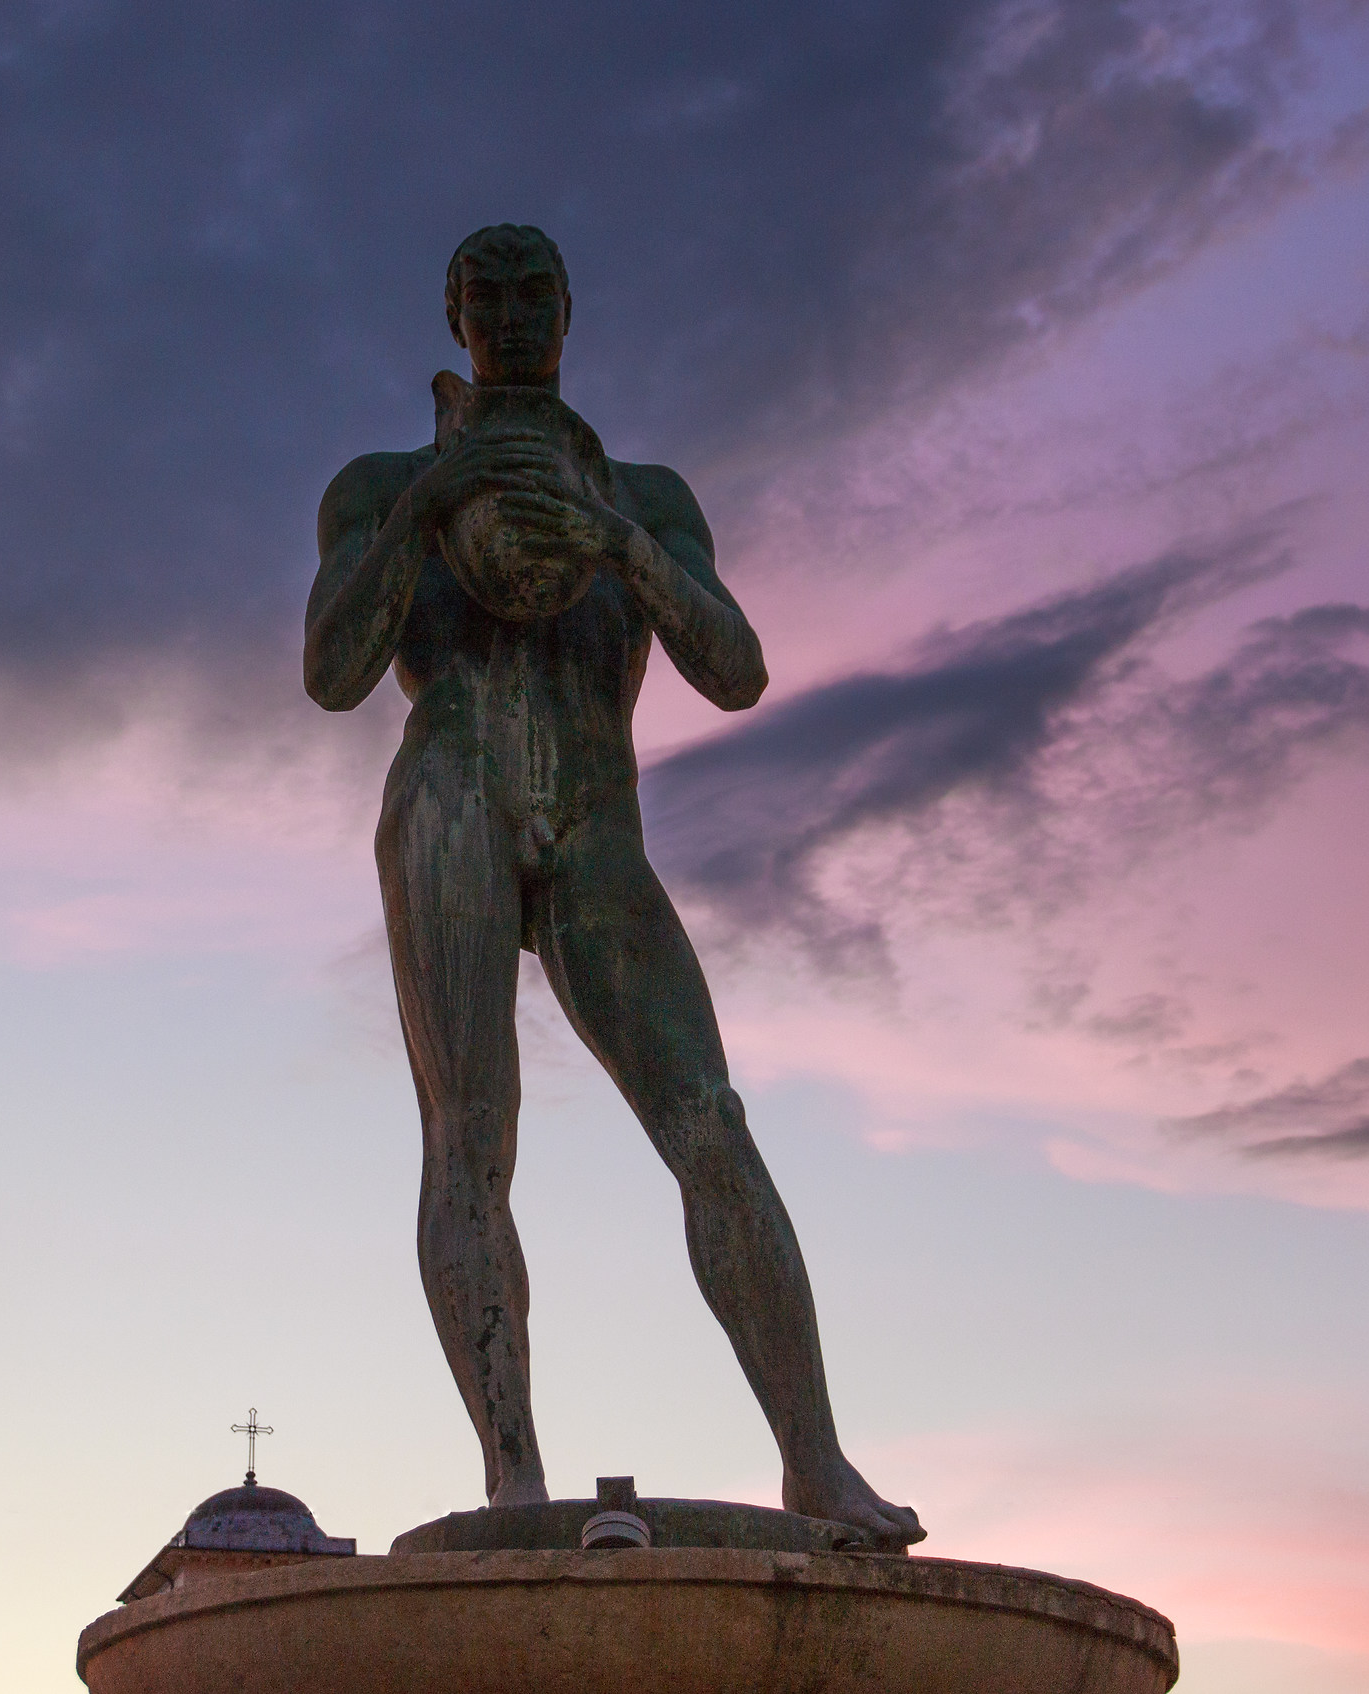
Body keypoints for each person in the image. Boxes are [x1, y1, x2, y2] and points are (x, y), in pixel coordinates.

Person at [304, 224, 923, 1545]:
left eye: (538, 291)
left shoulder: (644, 491)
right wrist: (435, 497)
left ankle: (816, 1461)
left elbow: (738, 666)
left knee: (709, 1117)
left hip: (596, 816)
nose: (515, 312)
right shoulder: (378, 482)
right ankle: (514, 1468)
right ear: (454, 315)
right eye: (489, 294)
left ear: (571, 310)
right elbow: (333, 667)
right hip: (455, 787)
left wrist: (615, 542)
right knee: (470, 1136)